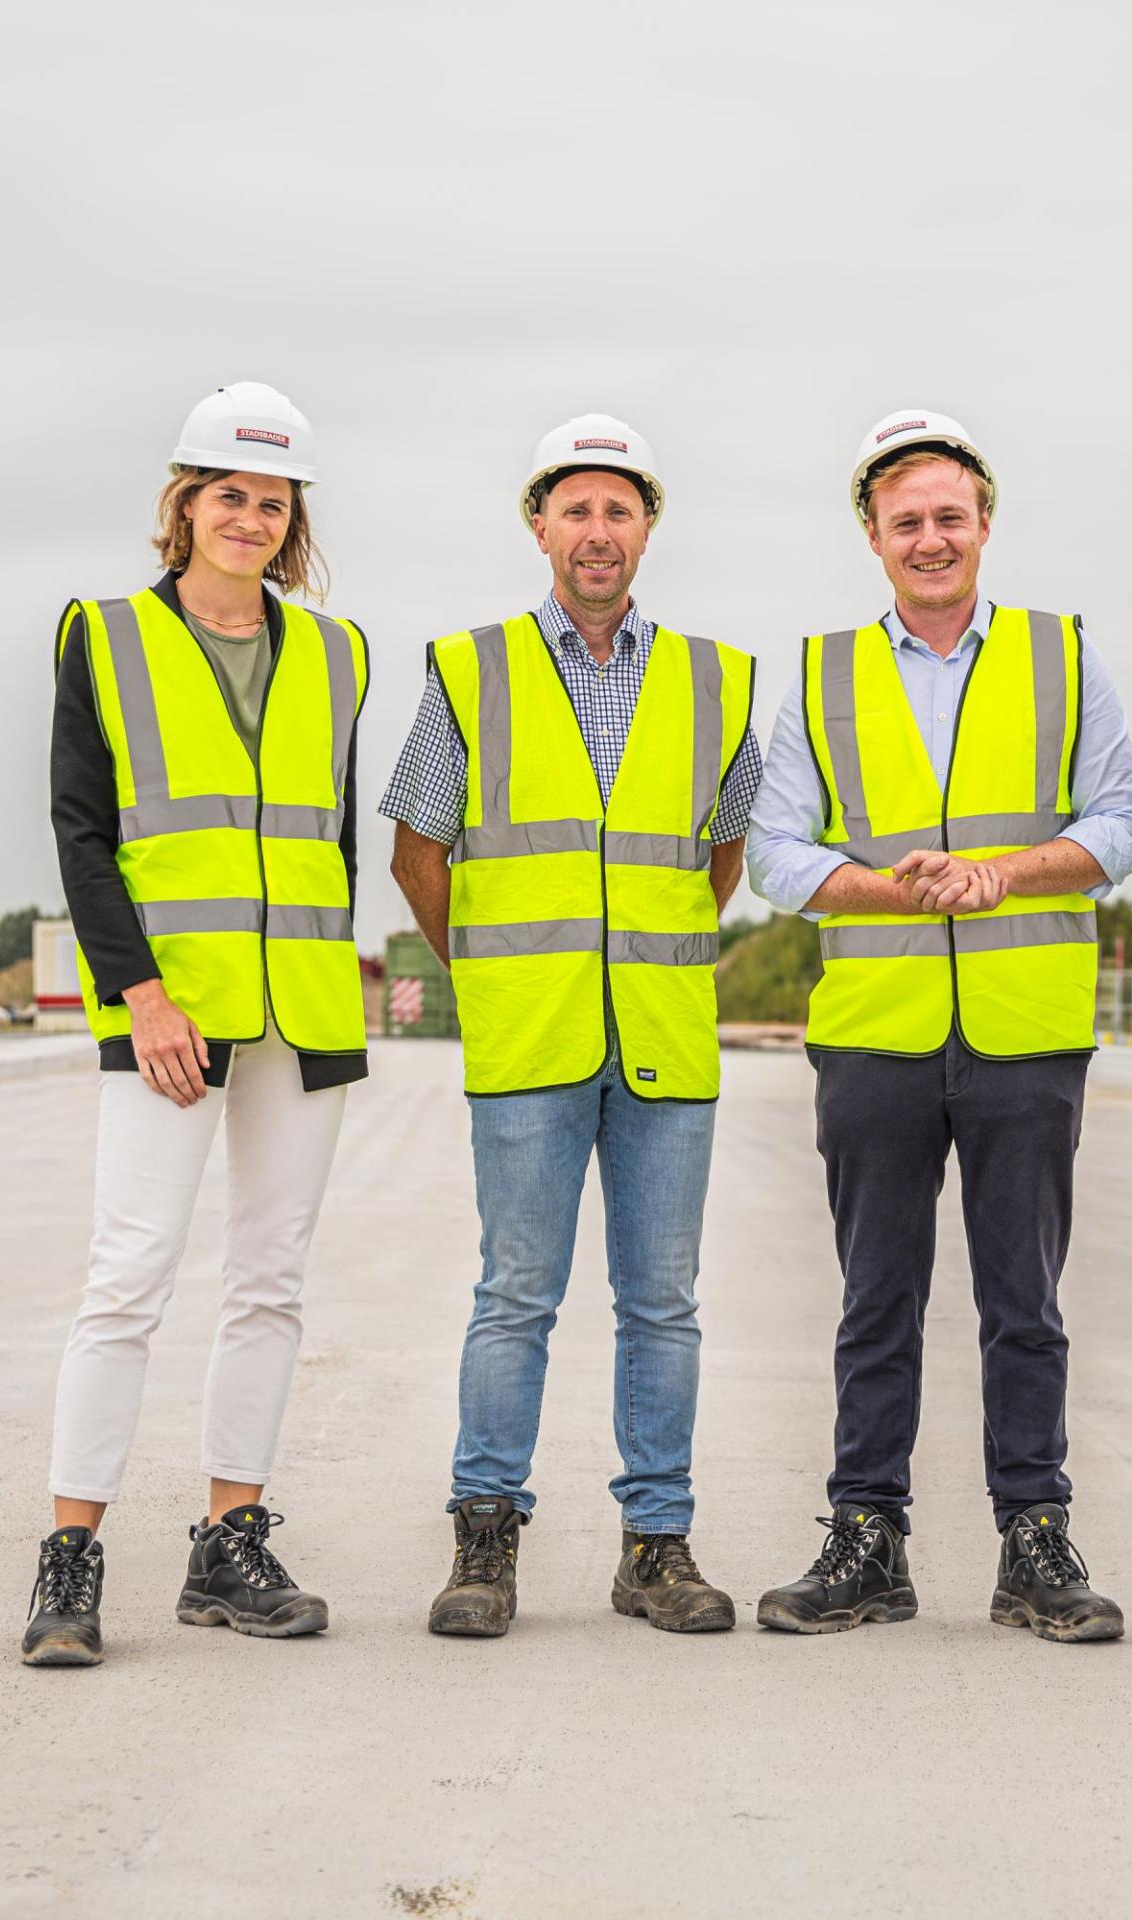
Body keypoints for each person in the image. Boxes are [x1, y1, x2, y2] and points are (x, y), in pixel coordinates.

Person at [746, 411, 1132, 1640]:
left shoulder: (1062, 655)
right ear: (872, 536)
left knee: (1024, 1304)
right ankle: (866, 1539)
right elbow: (774, 851)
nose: (930, 539)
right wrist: (897, 890)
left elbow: (1125, 823)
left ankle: (1035, 1542)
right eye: (905, 521)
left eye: (949, 518)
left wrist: (1002, 876)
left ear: (985, 524)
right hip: (875, 1030)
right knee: (878, 1302)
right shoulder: (821, 672)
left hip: (1025, 1032)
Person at [385, 414, 762, 1638]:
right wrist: (493, 970)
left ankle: (657, 1546)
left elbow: (721, 854)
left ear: (648, 528)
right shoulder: (470, 669)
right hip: (530, 1037)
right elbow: (416, 849)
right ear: (538, 527)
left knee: (663, 1303)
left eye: (619, 511)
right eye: (575, 511)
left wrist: (638, 954)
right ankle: (484, 1543)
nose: (597, 534)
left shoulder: (717, 680)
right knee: (516, 1296)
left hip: (663, 1033)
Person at [24, 383, 369, 1667]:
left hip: (301, 1014)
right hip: (169, 1013)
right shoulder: (105, 635)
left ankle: (230, 1539)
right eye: (228, 493)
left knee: (270, 1283)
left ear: (294, 520)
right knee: (127, 1278)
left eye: (272, 501)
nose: (250, 517)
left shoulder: (340, 652)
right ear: (185, 505)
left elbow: (328, 839)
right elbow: (82, 829)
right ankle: (71, 1558)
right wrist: (142, 995)